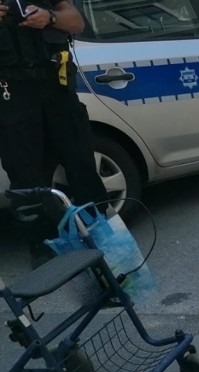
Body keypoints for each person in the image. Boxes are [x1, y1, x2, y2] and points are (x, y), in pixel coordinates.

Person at [0, 0, 108, 267]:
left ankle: (102, 233)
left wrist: (49, 18)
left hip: (56, 88)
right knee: (26, 177)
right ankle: (44, 247)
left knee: (81, 164)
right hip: (11, 94)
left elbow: (76, 21)